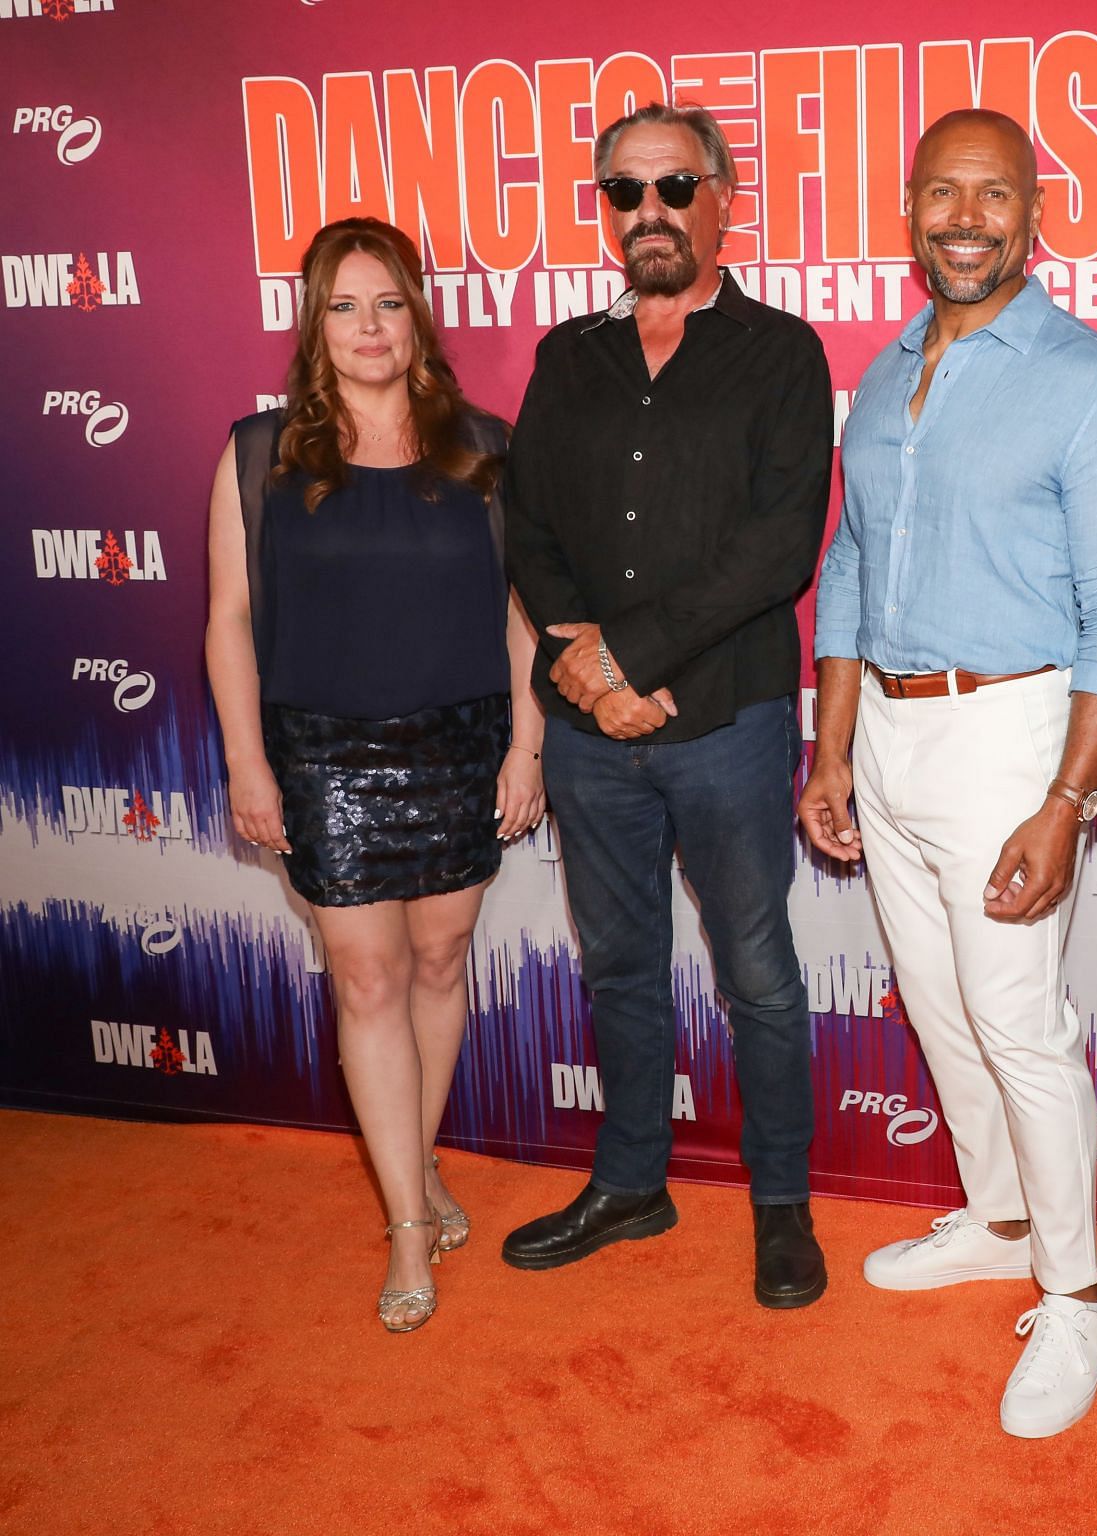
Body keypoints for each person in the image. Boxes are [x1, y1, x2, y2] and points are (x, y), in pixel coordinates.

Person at [799, 109, 1097, 1438]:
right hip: (888, 737)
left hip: (1015, 736)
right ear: (909, 210)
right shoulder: (892, 364)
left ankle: (1076, 1294)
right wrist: (832, 743)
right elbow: (848, 565)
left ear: (1035, 214)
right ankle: (1003, 1220)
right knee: (944, 1009)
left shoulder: (1093, 381)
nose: (967, 217)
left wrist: (1065, 802)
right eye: (943, 194)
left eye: (995, 194)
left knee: (1018, 1020)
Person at [500, 103, 834, 1308]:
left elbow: (777, 549)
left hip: (727, 723)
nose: (649, 212)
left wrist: (626, 660)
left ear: (725, 198)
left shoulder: (783, 353)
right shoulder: (563, 358)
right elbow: (528, 528)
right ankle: (631, 1181)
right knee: (621, 967)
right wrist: (586, 672)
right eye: (623, 192)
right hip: (593, 740)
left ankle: (783, 1205)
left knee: (757, 971)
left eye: (675, 187)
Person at [205, 217, 547, 1334]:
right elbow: (229, 622)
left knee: (443, 959)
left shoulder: (482, 449)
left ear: (417, 316)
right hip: (323, 755)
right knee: (366, 977)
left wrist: (525, 746)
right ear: (315, 323)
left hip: (459, 746)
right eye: (345, 306)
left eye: (387, 304)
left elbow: (521, 617)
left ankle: (420, 1166)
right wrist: (249, 763)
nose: (368, 328)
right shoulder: (259, 454)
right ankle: (407, 1221)